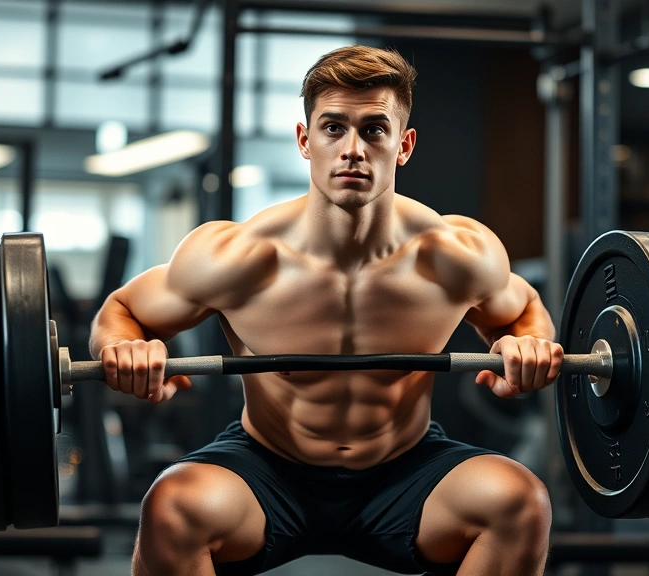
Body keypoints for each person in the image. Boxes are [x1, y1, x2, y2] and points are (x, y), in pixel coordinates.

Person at [90, 45, 563, 576]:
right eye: (334, 128)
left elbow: (524, 310)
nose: (353, 150)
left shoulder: (453, 254)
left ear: (403, 145)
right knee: (173, 506)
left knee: (520, 502)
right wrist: (122, 348)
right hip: (268, 468)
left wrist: (526, 344)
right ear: (304, 140)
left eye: (374, 130)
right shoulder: (239, 258)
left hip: (404, 470)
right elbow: (123, 308)